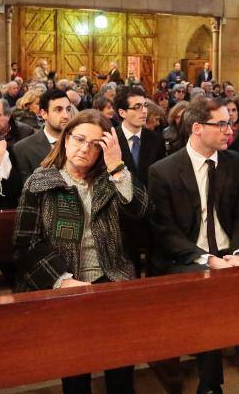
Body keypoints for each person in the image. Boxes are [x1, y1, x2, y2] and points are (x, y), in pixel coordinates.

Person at [13, 110, 149, 393]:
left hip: (111, 276)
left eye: (95, 144)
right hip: (65, 281)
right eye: (79, 139)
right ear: (65, 140)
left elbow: (141, 212)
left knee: (120, 361)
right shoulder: (42, 183)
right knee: (75, 365)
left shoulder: (110, 179)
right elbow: (25, 244)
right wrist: (62, 280)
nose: (85, 148)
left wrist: (117, 167)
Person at [148, 97, 239, 394]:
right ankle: (210, 383)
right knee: (207, 293)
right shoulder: (163, 170)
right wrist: (206, 259)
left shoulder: (233, 162)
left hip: (231, 252)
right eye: (223, 124)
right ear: (197, 128)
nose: (230, 130)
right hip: (187, 256)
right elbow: (166, 231)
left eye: (231, 123)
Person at [114, 86, 166, 272]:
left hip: (150, 212)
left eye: (144, 105)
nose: (144, 111)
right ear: (122, 112)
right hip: (121, 214)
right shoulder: (112, 139)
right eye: (136, 107)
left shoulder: (156, 140)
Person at [13, 89, 74, 181]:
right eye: (58, 110)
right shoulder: (23, 148)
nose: (66, 115)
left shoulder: (80, 142)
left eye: (68, 109)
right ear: (44, 113)